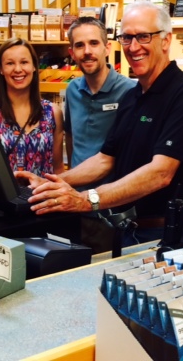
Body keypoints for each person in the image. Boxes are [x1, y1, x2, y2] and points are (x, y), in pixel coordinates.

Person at [15, 1, 183, 248]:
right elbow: (105, 159)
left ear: (165, 40)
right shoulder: (133, 96)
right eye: (127, 38)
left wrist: (86, 200)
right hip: (129, 229)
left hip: (167, 234)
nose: (134, 47)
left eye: (143, 36)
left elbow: (160, 173)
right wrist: (52, 181)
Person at [64, 17, 137, 252]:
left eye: (94, 43)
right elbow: (71, 138)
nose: (87, 51)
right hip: (73, 206)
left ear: (107, 48)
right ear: (71, 52)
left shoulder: (129, 92)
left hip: (110, 209)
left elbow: (116, 159)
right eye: (79, 45)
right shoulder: (72, 90)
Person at [0, 38, 65, 177]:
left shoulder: (52, 113)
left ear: (34, 66)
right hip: (0, 198)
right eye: (10, 63)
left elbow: (57, 169)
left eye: (24, 62)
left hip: (42, 197)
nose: (18, 69)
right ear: (0, 69)